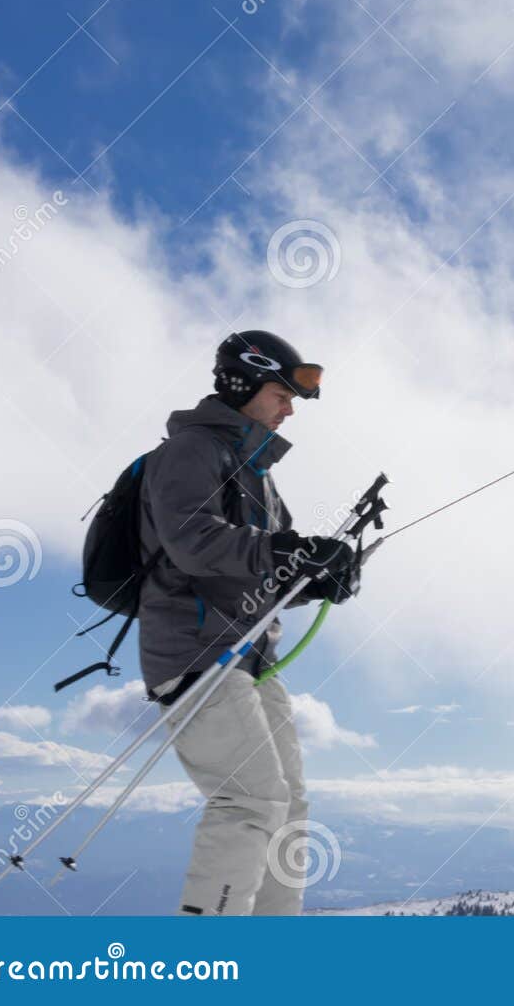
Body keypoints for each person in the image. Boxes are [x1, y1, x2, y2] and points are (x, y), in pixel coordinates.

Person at [136, 330, 359, 915]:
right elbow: (193, 542)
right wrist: (289, 552)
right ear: (242, 383)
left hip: (250, 659)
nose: (291, 408)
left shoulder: (256, 471)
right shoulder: (190, 453)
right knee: (251, 800)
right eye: (282, 395)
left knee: (290, 807)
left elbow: (265, 567)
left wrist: (318, 578)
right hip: (196, 654)